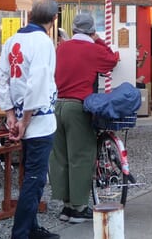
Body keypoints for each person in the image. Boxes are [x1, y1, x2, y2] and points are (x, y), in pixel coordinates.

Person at [0, 0, 60, 239]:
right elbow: (38, 83)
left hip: (21, 114)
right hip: (37, 121)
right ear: (53, 20)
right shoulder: (43, 43)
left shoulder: (12, 40)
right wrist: (25, 120)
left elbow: (1, 79)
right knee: (34, 178)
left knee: (30, 175)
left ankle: (31, 227)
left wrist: (10, 113)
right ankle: (19, 238)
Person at [50, 12, 119, 225]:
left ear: (73, 29)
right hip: (78, 107)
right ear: (91, 30)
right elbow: (112, 60)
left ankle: (66, 205)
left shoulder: (62, 48)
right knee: (80, 157)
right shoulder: (92, 49)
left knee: (60, 157)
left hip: (57, 105)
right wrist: (99, 40)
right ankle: (79, 208)